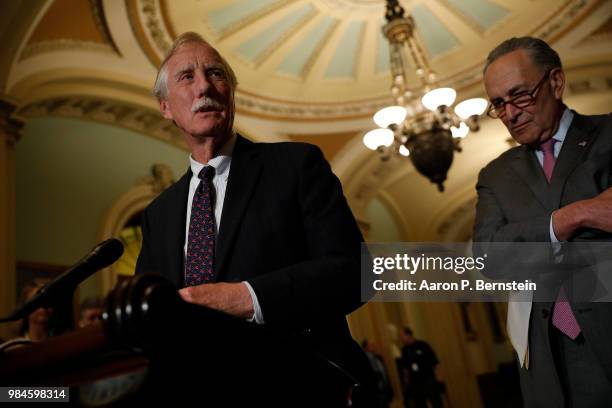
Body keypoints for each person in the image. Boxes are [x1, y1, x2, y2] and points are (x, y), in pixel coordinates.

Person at [135, 32, 374, 404]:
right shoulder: (157, 214)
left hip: (302, 385)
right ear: (165, 107)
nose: (205, 87)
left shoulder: (295, 165)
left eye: (215, 74)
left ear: (230, 92)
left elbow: (355, 272)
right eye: (187, 77)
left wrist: (247, 297)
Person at [474, 36, 612, 406]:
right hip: (548, 362)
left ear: (555, 82)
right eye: (498, 104)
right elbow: (487, 256)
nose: (510, 114)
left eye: (520, 95)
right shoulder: (495, 176)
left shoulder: (607, 136)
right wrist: (572, 217)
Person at [398, 327, 442, 408]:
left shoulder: (423, 345)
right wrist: (406, 383)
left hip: (428, 379)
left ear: (408, 335)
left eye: (402, 335)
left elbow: (435, 362)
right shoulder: (404, 350)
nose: (401, 338)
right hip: (415, 382)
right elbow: (405, 368)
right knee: (420, 404)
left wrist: (438, 378)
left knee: (436, 403)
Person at [362, 339, 394, 408]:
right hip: (375, 392)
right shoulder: (364, 361)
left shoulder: (379, 357)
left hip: (384, 389)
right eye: (371, 345)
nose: (374, 346)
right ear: (366, 347)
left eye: (374, 345)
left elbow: (385, 373)